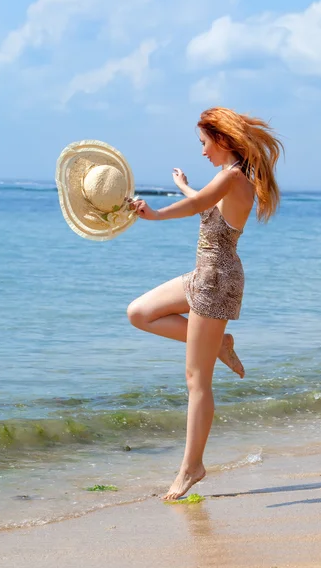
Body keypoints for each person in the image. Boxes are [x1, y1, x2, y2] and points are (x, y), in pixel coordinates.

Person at [127, 107, 283, 500]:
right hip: (204, 275)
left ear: (222, 140)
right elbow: (208, 203)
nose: (201, 152)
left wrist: (154, 213)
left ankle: (191, 467)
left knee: (197, 381)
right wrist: (184, 186)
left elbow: (201, 207)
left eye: (203, 143)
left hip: (216, 282)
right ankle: (221, 345)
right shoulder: (229, 179)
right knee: (139, 312)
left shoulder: (231, 177)